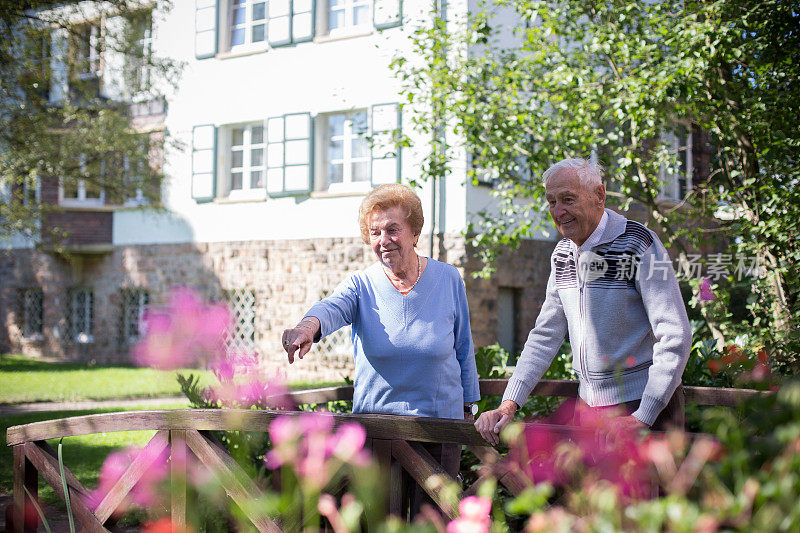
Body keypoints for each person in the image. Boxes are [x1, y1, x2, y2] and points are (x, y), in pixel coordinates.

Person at [281, 183, 480, 515]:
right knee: (379, 520)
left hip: (439, 430)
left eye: (392, 229)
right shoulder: (361, 285)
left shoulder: (448, 279)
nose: (383, 240)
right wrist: (306, 328)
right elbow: (331, 308)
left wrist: (469, 408)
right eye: (375, 232)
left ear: (415, 232)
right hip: (376, 432)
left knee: (432, 522)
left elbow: (463, 346)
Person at [475, 158, 692, 445]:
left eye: (567, 199)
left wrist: (643, 415)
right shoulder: (563, 253)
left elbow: (675, 335)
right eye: (551, 201)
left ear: (599, 196)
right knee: (587, 492)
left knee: (655, 492)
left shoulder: (638, 243)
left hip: (644, 409)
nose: (558, 211)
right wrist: (509, 403)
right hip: (588, 411)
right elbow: (545, 336)